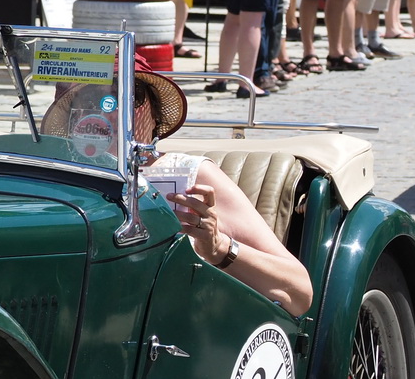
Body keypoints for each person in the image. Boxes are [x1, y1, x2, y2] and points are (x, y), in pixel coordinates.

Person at [133, 59, 312, 317]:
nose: (109, 110)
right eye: (87, 100)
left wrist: (218, 247)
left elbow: (297, 291)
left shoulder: (190, 175)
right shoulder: (61, 176)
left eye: (132, 97)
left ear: (155, 114)